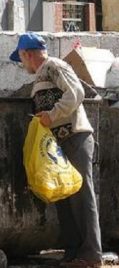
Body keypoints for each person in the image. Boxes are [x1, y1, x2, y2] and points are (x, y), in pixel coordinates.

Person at [10, 33, 103, 268]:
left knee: (82, 195)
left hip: (75, 137)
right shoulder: (41, 77)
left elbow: (76, 93)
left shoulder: (54, 66)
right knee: (63, 196)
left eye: (20, 59)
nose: (22, 65)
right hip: (58, 144)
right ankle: (73, 252)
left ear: (27, 54)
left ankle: (91, 255)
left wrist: (51, 115)